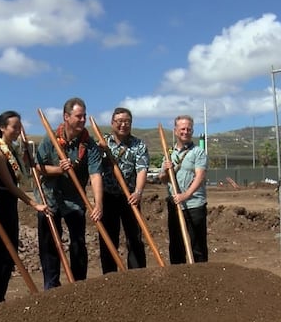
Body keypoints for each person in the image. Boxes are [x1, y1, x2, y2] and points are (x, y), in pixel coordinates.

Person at [35, 97, 104, 289]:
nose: (82, 120)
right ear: (66, 117)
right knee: (49, 243)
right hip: (49, 197)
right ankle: (51, 285)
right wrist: (59, 170)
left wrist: (98, 204)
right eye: (78, 116)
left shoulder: (88, 144)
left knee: (78, 241)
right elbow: (38, 167)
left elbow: (95, 174)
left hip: (74, 198)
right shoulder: (50, 139)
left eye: (84, 116)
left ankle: (78, 285)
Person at [0, 111, 49, 304]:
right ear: (3, 128)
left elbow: (23, 175)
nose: (17, 131)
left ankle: (0, 296)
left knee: (10, 251)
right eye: (14, 127)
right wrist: (34, 204)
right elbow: (11, 186)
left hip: (10, 205)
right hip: (1, 203)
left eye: (19, 127)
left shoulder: (12, 150)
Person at [99, 107, 149, 273]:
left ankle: (137, 275)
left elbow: (142, 169)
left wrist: (138, 192)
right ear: (112, 123)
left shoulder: (139, 145)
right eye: (119, 121)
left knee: (134, 238)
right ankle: (109, 276)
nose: (123, 125)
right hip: (108, 197)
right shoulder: (102, 143)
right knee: (108, 239)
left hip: (130, 197)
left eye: (127, 121)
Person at [158, 114, 209, 264]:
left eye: (189, 129)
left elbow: (199, 177)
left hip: (195, 205)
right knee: (176, 246)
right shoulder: (169, 154)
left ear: (192, 131)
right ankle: (178, 280)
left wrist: (185, 195)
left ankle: (201, 278)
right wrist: (166, 171)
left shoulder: (198, 152)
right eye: (182, 129)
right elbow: (163, 179)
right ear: (175, 131)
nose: (185, 131)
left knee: (197, 246)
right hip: (175, 204)